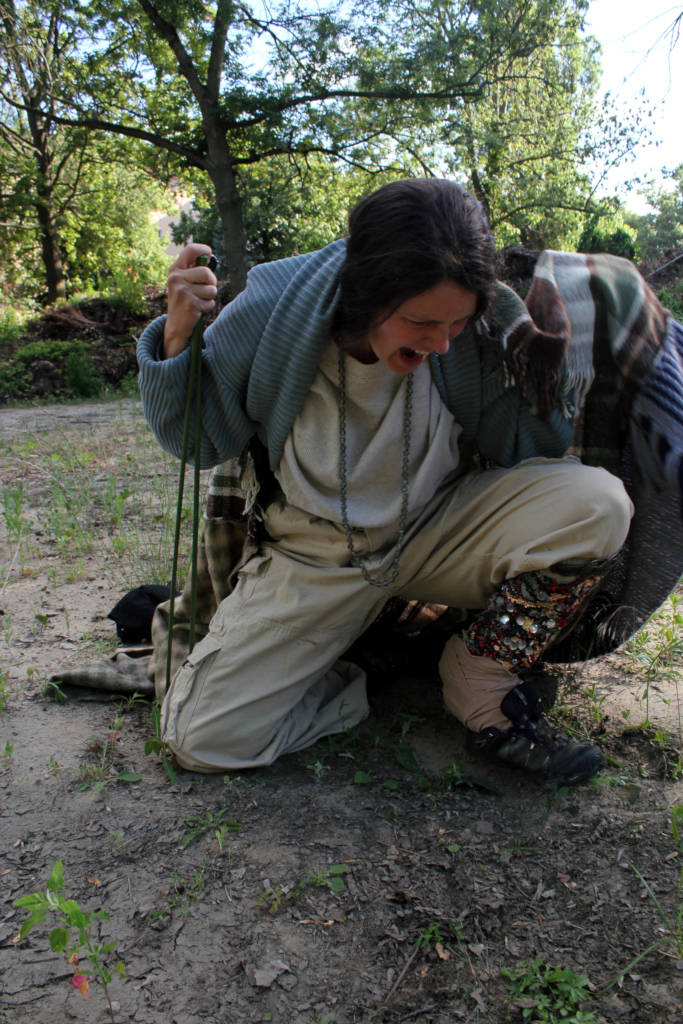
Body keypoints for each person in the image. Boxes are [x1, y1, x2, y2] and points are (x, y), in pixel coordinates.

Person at [138, 178, 636, 787]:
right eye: (420, 322)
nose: (440, 343)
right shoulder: (274, 308)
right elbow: (198, 442)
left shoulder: (475, 328)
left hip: (439, 528)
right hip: (316, 557)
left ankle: (478, 675)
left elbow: (527, 448)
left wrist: (541, 378)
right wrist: (179, 339)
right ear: (367, 291)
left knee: (599, 503)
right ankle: (366, 673)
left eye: (457, 323)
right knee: (201, 739)